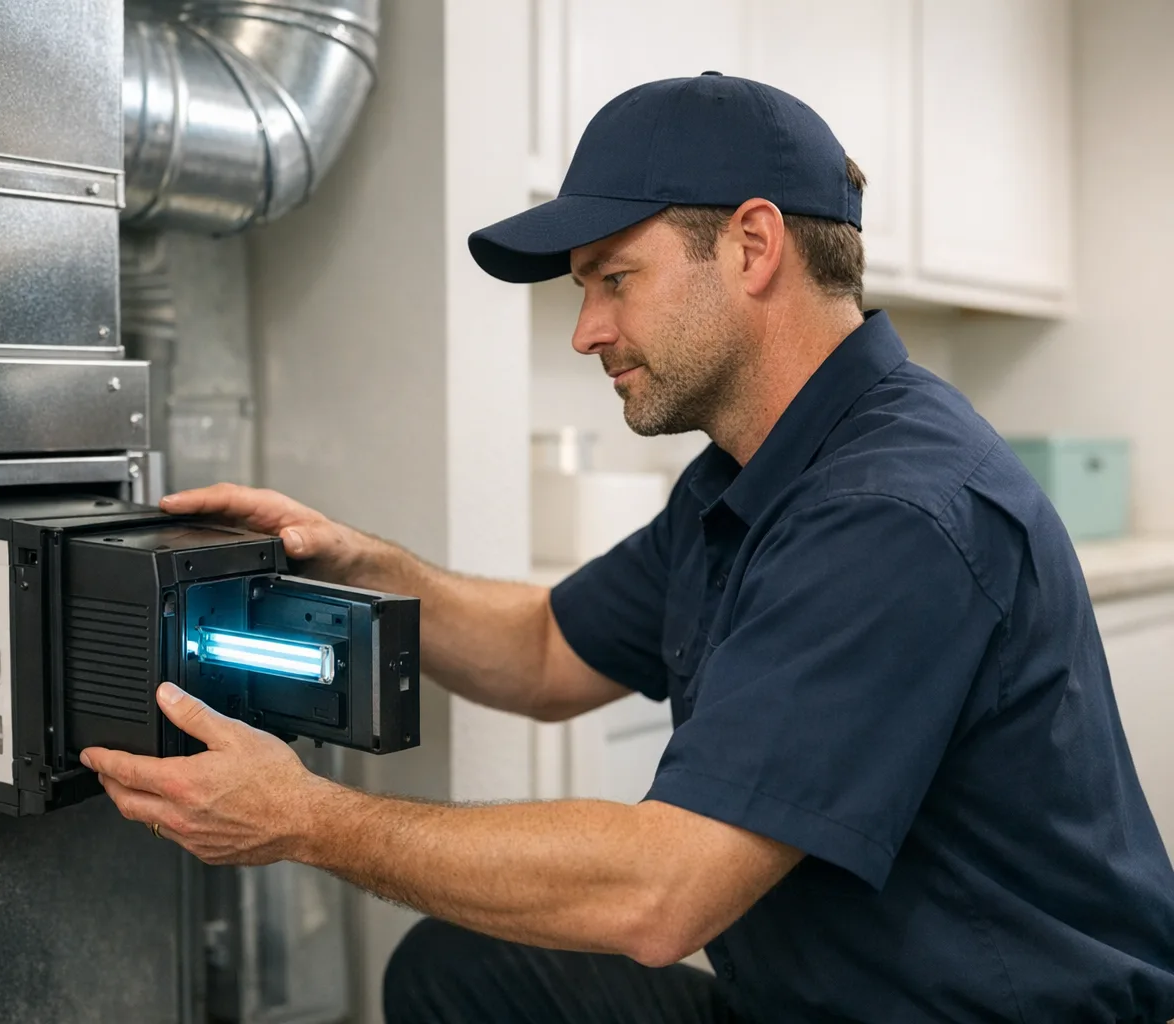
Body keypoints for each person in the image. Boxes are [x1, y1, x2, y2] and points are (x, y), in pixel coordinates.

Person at [81, 74, 1174, 1023]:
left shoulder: (893, 509)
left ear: (753, 246)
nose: (586, 329)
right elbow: (550, 649)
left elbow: (665, 894)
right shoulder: (750, 473)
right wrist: (364, 561)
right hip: (813, 998)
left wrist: (307, 820)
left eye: (616, 278)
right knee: (464, 976)